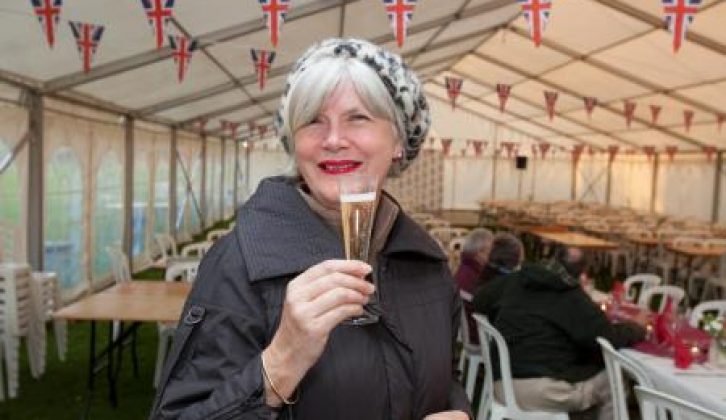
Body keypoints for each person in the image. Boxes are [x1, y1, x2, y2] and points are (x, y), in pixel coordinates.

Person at [150, 38, 470, 420]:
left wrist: (459, 410)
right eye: (313, 120)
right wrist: (282, 360)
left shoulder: (428, 265)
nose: (333, 140)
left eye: (358, 118)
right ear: (294, 141)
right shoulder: (240, 263)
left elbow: (446, 378)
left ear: (399, 141)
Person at [474, 245, 646, 419]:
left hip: (500, 382)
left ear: (554, 258)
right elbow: (606, 337)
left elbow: (480, 300)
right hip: (542, 390)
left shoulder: (516, 279)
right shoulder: (571, 295)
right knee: (614, 378)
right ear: (582, 273)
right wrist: (637, 327)